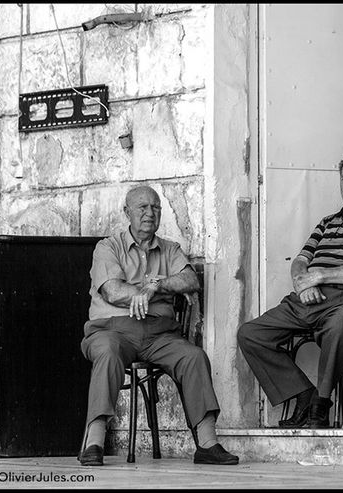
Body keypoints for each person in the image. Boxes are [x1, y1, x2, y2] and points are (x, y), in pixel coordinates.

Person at [78, 185, 238, 466]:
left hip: (159, 334)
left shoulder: (170, 249)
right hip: (112, 330)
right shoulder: (107, 247)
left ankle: (207, 443)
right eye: (142, 207)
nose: (149, 213)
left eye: (155, 207)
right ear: (127, 212)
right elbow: (113, 291)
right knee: (107, 352)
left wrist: (156, 286)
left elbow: (190, 281)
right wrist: (159, 287)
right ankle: (94, 440)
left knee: (193, 356)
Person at [237, 153, 343, 428]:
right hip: (308, 301)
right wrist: (302, 285)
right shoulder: (327, 223)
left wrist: (319, 276)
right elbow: (301, 261)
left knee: (340, 325)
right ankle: (304, 395)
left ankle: (320, 408)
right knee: (251, 333)